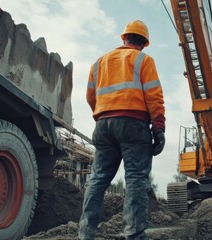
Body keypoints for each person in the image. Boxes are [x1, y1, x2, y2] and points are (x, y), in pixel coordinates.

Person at [78, 20, 166, 240]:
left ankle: (85, 233)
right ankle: (134, 234)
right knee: (136, 178)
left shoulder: (99, 63)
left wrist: (103, 114)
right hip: (133, 124)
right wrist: (158, 127)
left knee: (98, 178)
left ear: (124, 38)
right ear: (144, 43)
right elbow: (154, 96)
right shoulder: (144, 60)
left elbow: (90, 96)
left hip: (103, 124)